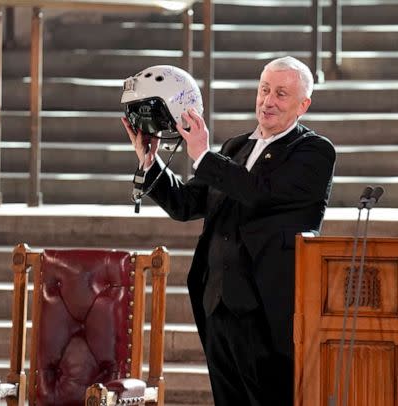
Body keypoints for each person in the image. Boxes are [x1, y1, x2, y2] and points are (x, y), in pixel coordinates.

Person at [121, 56, 336, 406]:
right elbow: (186, 204)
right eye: (264, 89)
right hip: (218, 305)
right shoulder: (235, 148)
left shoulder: (314, 151)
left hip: (268, 311)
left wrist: (203, 155)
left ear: (303, 105)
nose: (268, 101)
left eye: (281, 94)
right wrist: (150, 160)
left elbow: (259, 193)